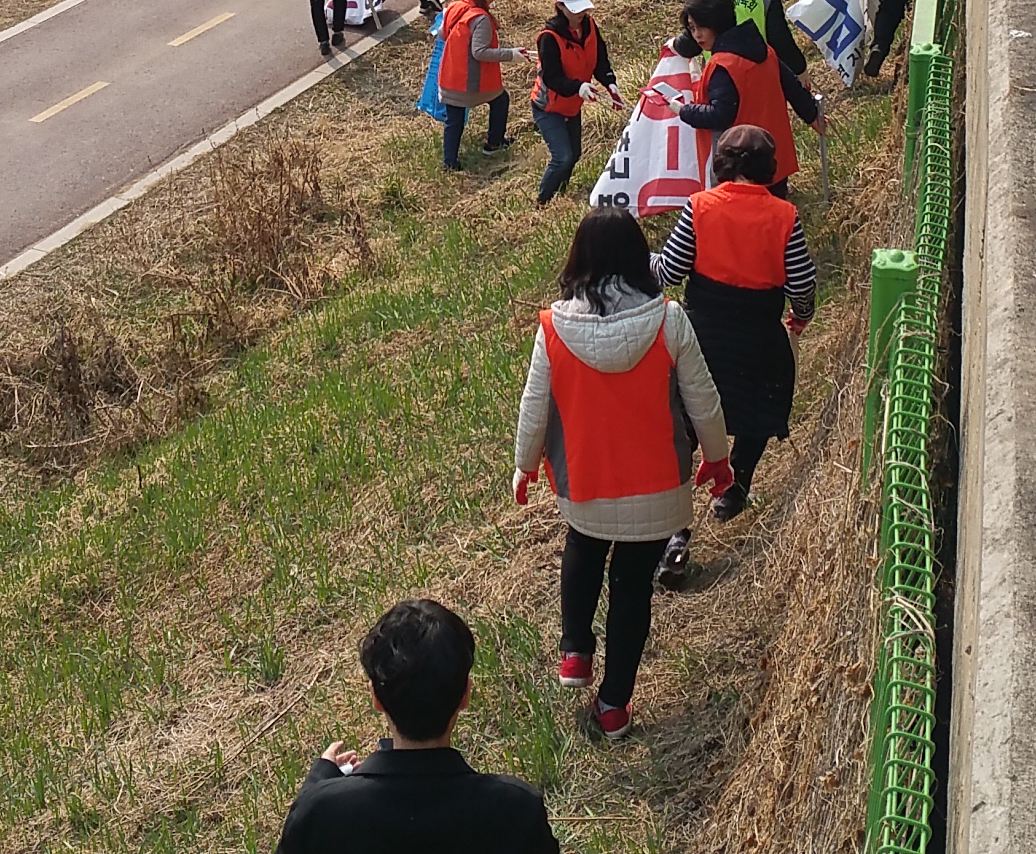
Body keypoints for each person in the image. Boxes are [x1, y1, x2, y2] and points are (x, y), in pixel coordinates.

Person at [512, 209, 732, 739]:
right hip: (657, 482)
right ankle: (613, 706)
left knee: (582, 550)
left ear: (578, 259)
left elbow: (534, 405)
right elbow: (702, 398)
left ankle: (575, 651)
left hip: (585, 480)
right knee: (632, 590)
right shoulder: (669, 319)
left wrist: (524, 465)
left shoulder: (554, 328)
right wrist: (718, 458)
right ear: (640, 258)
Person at [276, 599, 559, 853]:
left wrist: (314, 791)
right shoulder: (516, 810)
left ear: (376, 698)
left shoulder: (323, 812)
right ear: (465, 695)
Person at [660, 126, 814, 525]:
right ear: (769, 168)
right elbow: (802, 282)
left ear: (720, 164)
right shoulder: (785, 216)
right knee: (758, 411)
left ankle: (675, 525)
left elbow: (669, 271)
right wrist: (802, 315)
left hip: (703, 335)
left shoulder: (698, 206)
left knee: (688, 422)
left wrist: (639, 259)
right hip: (759, 334)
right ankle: (735, 489)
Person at [672, 0, 821, 199]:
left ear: (718, 24)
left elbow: (721, 114)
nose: (697, 35)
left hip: (742, 168)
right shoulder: (765, 50)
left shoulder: (722, 65)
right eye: (692, 28)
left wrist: (684, 111)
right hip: (773, 157)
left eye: (702, 27)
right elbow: (792, 87)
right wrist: (813, 114)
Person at [532, 0, 617, 206]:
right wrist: (578, 87)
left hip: (573, 103)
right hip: (549, 106)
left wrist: (609, 81)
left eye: (583, 8)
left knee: (575, 154)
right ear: (559, 6)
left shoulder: (589, 27)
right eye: (574, 9)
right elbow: (552, 77)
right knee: (563, 157)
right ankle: (543, 201)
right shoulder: (549, 38)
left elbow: (599, 59)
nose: (581, 13)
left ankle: (561, 194)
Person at [433, 0, 521, 170]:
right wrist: (511, 54)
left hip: (449, 75)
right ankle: (493, 143)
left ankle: (450, 162)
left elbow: (442, 34)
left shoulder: (454, 7)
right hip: (471, 81)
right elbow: (480, 52)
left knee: (453, 120)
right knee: (500, 100)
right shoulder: (480, 18)